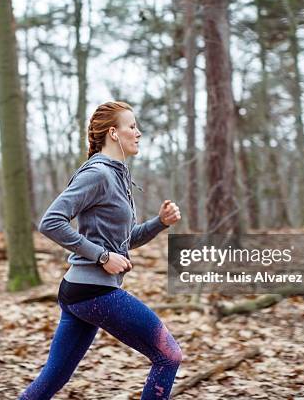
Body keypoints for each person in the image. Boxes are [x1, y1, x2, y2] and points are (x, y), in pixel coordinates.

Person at [18, 101, 183, 400]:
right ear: (113, 133)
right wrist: (102, 257)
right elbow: (50, 221)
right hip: (94, 292)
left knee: (52, 378)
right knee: (168, 355)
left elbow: (124, 240)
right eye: (132, 126)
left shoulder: (118, 176)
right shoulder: (97, 174)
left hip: (81, 292)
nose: (139, 132)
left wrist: (159, 223)